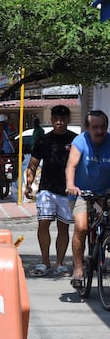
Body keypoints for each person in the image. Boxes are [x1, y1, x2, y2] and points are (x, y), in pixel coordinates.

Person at [24, 105, 77, 277]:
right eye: (56, 119)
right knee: (43, 224)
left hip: (67, 191)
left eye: (62, 119)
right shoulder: (44, 141)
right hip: (46, 189)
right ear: (51, 120)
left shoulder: (75, 140)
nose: (59, 122)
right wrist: (28, 184)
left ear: (68, 120)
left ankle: (60, 264)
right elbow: (32, 165)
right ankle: (45, 261)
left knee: (63, 227)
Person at [65, 110, 110, 290]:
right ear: (87, 128)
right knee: (82, 226)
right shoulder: (80, 141)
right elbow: (71, 165)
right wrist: (70, 185)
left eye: (103, 127)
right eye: (95, 127)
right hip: (81, 193)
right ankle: (78, 268)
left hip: (104, 193)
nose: (99, 131)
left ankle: (103, 243)